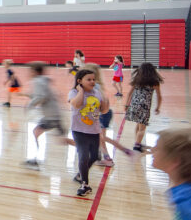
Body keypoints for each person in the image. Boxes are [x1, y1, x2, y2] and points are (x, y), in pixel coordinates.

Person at [79, 63, 134, 166]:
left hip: (101, 114)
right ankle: (103, 155)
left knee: (101, 138)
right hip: (106, 112)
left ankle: (110, 157)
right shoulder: (97, 84)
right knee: (101, 138)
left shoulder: (92, 86)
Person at [23, 63, 73, 169]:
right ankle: (88, 148)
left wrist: (30, 105)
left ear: (35, 72)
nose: (29, 73)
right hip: (56, 114)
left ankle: (35, 161)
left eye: (31, 71)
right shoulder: (43, 80)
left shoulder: (37, 81)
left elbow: (41, 96)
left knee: (36, 132)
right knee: (62, 140)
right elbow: (41, 95)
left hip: (50, 116)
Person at [67, 68, 108, 196]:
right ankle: (85, 184)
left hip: (94, 130)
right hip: (79, 130)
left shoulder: (97, 93)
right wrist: (81, 91)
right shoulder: (73, 92)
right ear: (79, 81)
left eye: (93, 79)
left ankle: (80, 174)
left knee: (95, 157)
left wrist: (105, 100)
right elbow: (76, 105)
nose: (92, 82)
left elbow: (104, 110)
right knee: (83, 156)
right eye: (88, 79)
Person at [125, 62, 164, 152]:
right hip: (144, 107)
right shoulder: (154, 82)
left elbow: (129, 93)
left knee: (138, 125)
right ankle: (137, 145)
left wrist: (127, 104)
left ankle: (137, 142)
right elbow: (159, 96)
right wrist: (158, 107)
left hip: (134, 105)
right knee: (142, 128)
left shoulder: (137, 80)